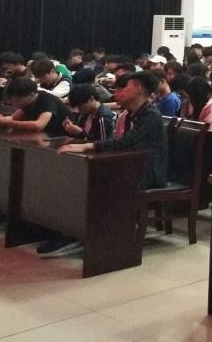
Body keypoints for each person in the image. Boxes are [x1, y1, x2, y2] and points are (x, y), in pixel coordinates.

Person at [56, 71, 170, 256]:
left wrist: (89, 145)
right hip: (132, 166)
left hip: (149, 172)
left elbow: (128, 141)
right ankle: (80, 233)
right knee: (86, 179)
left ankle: (106, 240)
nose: (120, 92)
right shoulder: (134, 113)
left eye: (125, 87)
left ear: (138, 89)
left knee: (101, 183)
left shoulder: (151, 115)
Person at [0, 76, 68, 136]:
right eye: (12, 99)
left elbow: (38, 125)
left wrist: (6, 122)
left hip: (62, 138)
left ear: (31, 94)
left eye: (18, 100)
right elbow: (13, 118)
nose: (14, 103)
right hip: (45, 136)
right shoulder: (29, 102)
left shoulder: (47, 100)